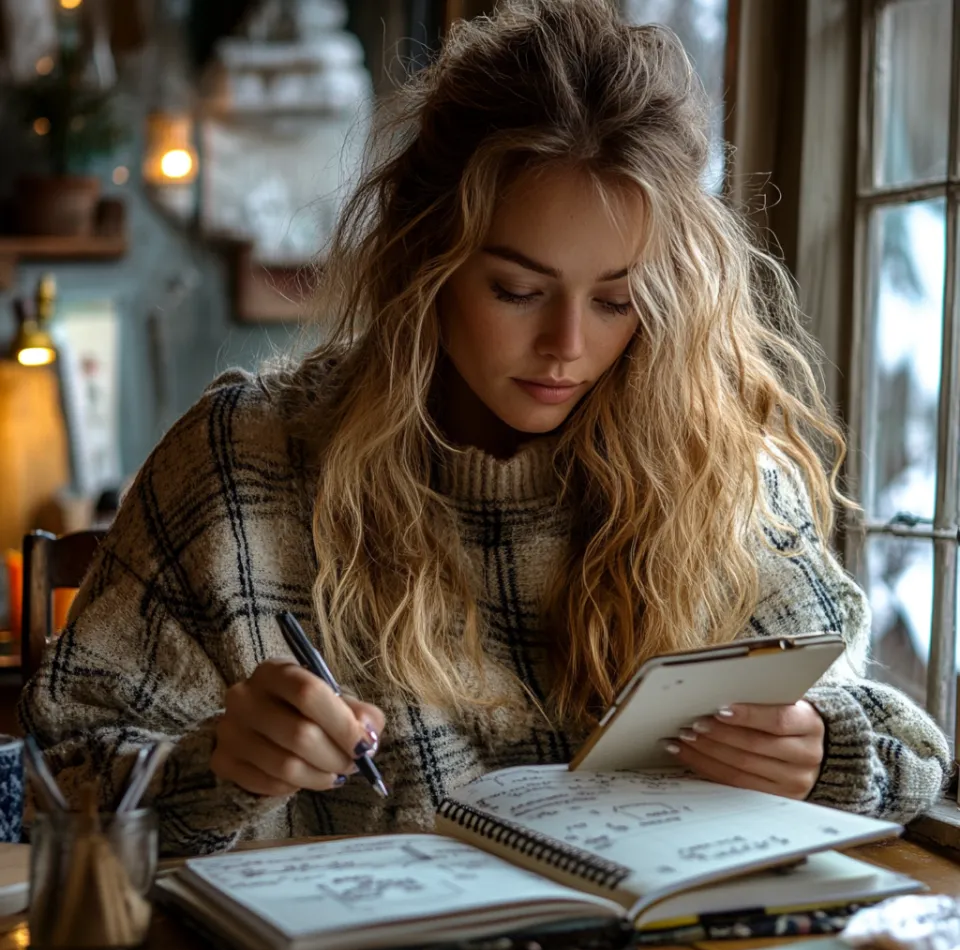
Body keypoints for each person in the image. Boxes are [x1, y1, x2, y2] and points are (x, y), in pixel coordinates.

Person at [20, 0, 948, 856]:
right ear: (424, 256)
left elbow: (912, 748)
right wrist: (216, 763)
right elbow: (58, 783)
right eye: (516, 290)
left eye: (619, 301)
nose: (567, 349)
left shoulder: (713, 467)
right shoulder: (243, 463)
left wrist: (825, 749)